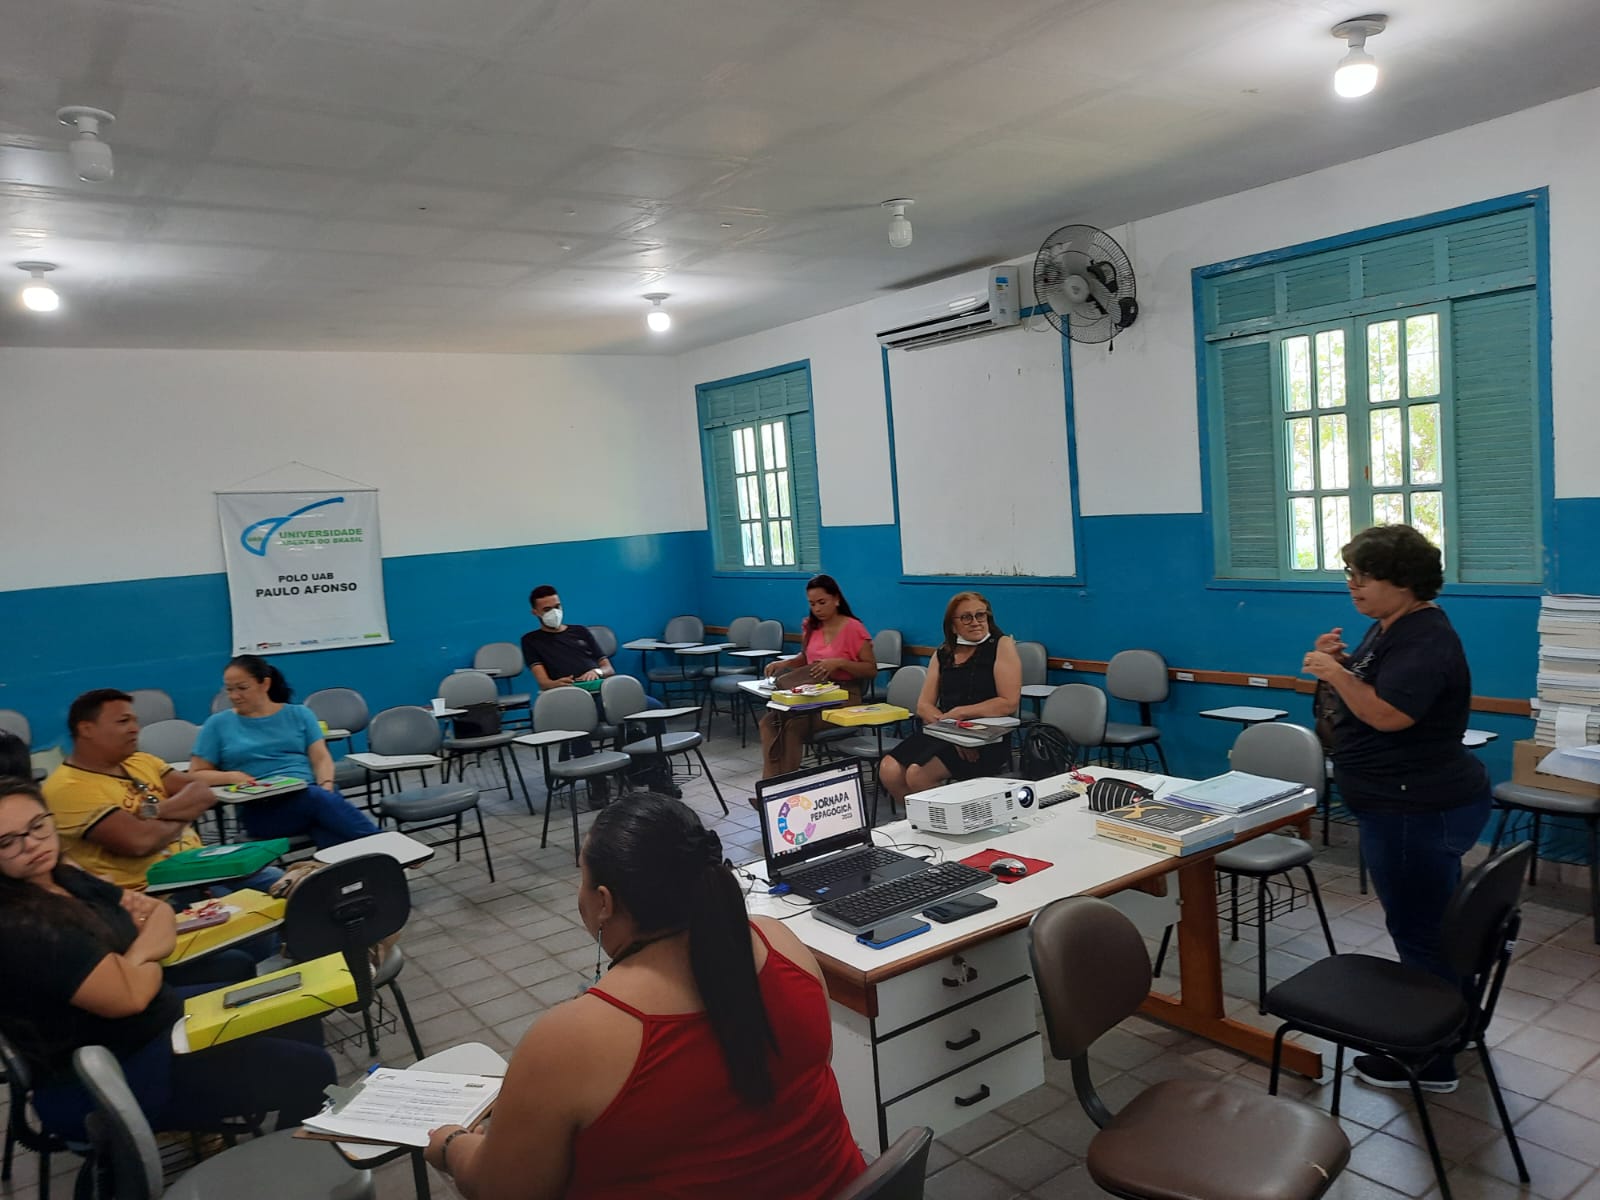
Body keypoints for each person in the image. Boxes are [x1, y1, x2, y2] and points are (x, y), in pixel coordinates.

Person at [422, 794, 866, 1199]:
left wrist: (452, 1144)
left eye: (580, 874)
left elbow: (502, 1190)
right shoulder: (781, 945)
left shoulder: (570, 1042)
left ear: (604, 902)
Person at [0, 777, 335, 1142]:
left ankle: (282, 1146)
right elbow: (129, 998)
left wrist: (136, 959)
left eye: (37, 826)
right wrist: (145, 952)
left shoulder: (62, 876)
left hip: (155, 1023)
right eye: (7, 842)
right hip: (118, 1072)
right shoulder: (22, 926)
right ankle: (287, 1167)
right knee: (312, 1070)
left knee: (297, 1009)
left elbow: (157, 914)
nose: (32, 844)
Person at [1302, 523, 1491, 1095]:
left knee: (1419, 932)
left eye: (1365, 575)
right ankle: (1455, 1027)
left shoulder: (1425, 637)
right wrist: (1335, 670)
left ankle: (1427, 1060)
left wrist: (1335, 672)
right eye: (1350, 574)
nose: (1353, 586)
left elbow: (1389, 716)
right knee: (1430, 924)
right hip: (1400, 804)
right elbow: (1348, 712)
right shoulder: (1386, 629)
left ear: (1404, 582)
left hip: (1415, 809)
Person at [43, 689, 228, 891]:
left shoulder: (141, 761)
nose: (135, 729)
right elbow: (141, 843)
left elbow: (202, 791)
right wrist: (187, 811)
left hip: (203, 865)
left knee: (266, 876)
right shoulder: (68, 789)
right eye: (123, 722)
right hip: (157, 893)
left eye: (134, 721)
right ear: (87, 729)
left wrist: (156, 811)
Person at [187, 655, 379, 849]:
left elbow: (320, 758)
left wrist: (326, 784)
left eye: (242, 688)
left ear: (265, 684)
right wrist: (231, 776)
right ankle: (386, 847)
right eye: (229, 689)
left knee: (325, 815)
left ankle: (331, 873)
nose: (234, 696)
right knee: (324, 806)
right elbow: (196, 774)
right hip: (262, 809)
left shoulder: (299, 714)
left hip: (310, 794)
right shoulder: (217, 725)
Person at [520, 585, 676, 802]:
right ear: (535, 613)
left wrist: (596, 671)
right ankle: (597, 782)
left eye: (557, 606)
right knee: (580, 723)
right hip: (570, 698)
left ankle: (658, 772)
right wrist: (558, 683)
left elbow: (608, 668)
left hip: (603, 691)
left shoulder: (580, 631)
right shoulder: (531, 641)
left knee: (655, 709)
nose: (554, 612)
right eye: (547, 609)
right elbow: (543, 682)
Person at [879, 591, 1022, 807]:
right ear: (953, 625)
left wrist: (962, 718)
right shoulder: (943, 653)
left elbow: (1008, 702)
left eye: (980, 615)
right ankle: (921, 822)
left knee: (917, 775)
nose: (975, 622)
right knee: (889, 769)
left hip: (985, 736)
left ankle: (954, 822)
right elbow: (923, 705)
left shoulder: (1001, 646)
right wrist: (952, 730)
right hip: (944, 729)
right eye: (966, 617)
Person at [759, 574, 877, 778]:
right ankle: (770, 785)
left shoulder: (853, 628)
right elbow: (805, 658)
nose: (817, 609)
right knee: (769, 722)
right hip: (813, 693)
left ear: (836, 599)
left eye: (822, 602)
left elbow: (870, 669)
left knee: (793, 726)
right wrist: (784, 664)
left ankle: (788, 787)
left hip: (844, 696)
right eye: (812, 604)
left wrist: (839, 663)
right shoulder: (811, 627)